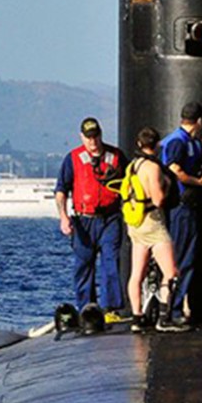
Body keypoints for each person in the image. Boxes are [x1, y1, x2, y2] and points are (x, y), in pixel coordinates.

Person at [55, 117, 127, 318]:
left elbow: (131, 182)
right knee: (84, 265)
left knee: (110, 262)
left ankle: (110, 308)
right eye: (88, 138)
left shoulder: (116, 156)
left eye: (96, 137)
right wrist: (63, 217)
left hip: (110, 218)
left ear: (101, 135)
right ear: (81, 138)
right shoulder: (73, 159)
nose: (93, 142)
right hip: (83, 220)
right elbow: (61, 189)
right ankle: (87, 309)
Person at [125, 127, 185, 332]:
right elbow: (158, 199)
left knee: (137, 273)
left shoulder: (134, 165)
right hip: (153, 224)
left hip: (136, 223)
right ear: (157, 145)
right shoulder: (153, 167)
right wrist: (168, 186)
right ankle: (164, 318)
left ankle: (137, 317)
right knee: (171, 273)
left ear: (139, 144)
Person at [160, 101, 202, 324]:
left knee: (191, 259)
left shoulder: (190, 142)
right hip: (180, 207)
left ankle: (184, 306)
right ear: (199, 121)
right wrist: (200, 182)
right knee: (182, 259)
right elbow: (175, 170)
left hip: (192, 209)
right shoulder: (177, 142)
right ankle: (173, 310)